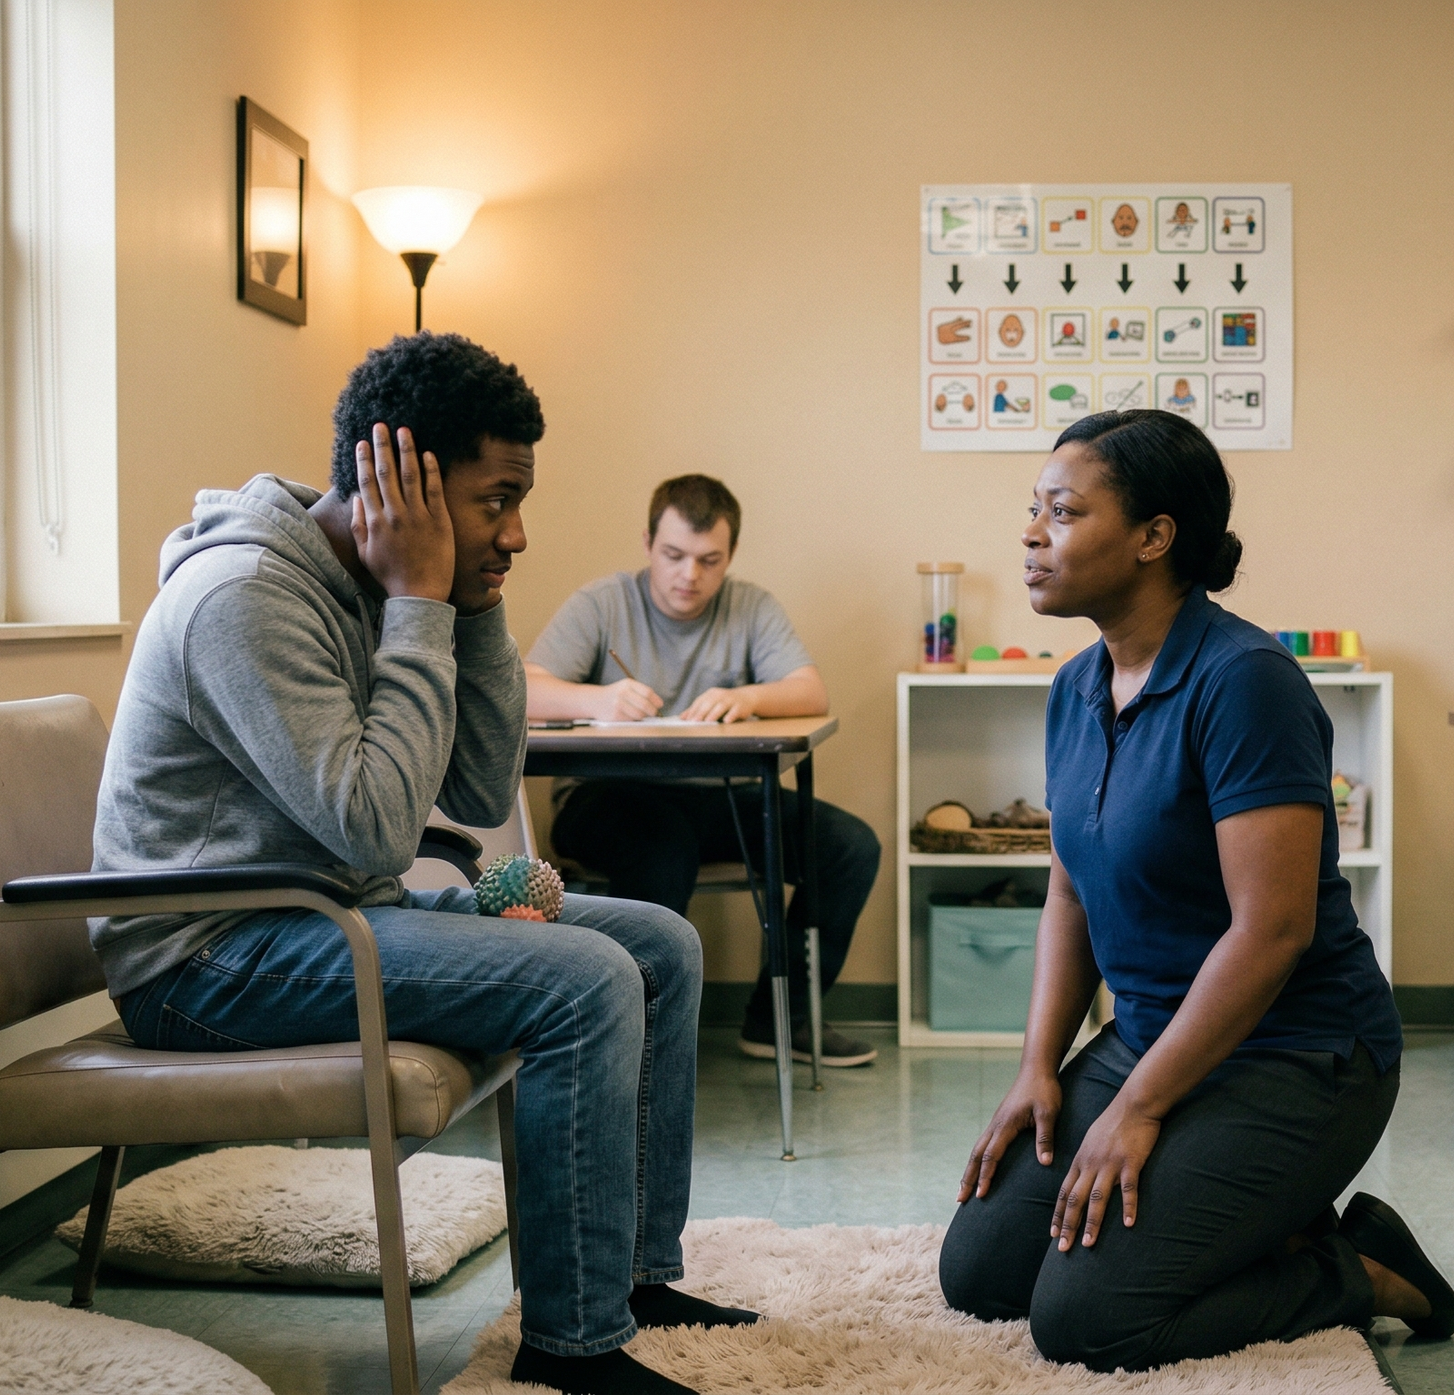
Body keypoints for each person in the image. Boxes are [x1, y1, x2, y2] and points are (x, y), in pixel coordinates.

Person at [90, 333, 747, 1395]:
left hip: (326, 915)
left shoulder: (380, 579)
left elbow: (484, 787)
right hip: (209, 957)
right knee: (582, 980)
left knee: (658, 944)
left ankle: (629, 1274)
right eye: (498, 502)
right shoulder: (245, 596)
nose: (520, 533)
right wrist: (423, 604)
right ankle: (570, 1347)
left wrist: (468, 604)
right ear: (406, 483)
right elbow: (377, 829)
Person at [938, 409, 1454, 1371]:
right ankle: (1266, 1221)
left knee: (1088, 1319)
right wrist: (1038, 1067)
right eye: (1032, 509)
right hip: (1149, 1033)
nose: (1030, 532)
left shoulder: (1244, 680)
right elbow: (1070, 893)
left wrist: (1135, 1107)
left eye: (1062, 510)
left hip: (1299, 1053)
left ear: (1153, 536)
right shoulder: (1075, 687)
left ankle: (1360, 1269)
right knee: (981, 1273)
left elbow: (1272, 932)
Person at [525, 474, 884, 1067]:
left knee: (848, 847)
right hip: (604, 798)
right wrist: (597, 701)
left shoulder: (749, 605)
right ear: (647, 543)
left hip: (715, 797)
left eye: (707, 560)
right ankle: (634, 1034)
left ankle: (778, 1023)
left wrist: (749, 698)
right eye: (673, 556)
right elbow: (525, 690)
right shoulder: (602, 601)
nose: (688, 575)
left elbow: (809, 689)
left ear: (730, 557)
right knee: (664, 844)